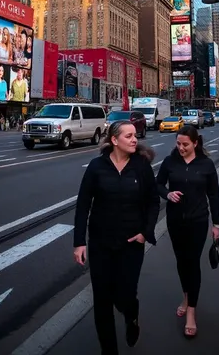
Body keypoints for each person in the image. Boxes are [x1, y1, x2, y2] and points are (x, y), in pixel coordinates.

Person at [73, 121, 160, 355]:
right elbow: (83, 205)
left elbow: (153, 202)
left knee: (125, 295)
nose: (135, 140)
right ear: (114, 140)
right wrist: (79, 242)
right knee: (102, 301)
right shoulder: (96, 167)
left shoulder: (141, 167)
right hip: (101, 243)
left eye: (135, 136)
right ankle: (109, 350)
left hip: (131, 243)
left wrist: (146, 232)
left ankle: (131, 315)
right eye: (129, 136)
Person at [156, 125, 219, 339]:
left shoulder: (206, 164)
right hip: (175, 221)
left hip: (198, 221)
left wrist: (216, 224)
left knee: (192, 263)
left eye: (185, 144)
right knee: (181, 262)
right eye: (178, 144)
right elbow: (158, 185)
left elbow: (214, 194)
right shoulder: (169, 162)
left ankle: (191, 312)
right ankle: (186, 297)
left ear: (195, 143)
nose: (181, 148)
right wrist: (167, 194)